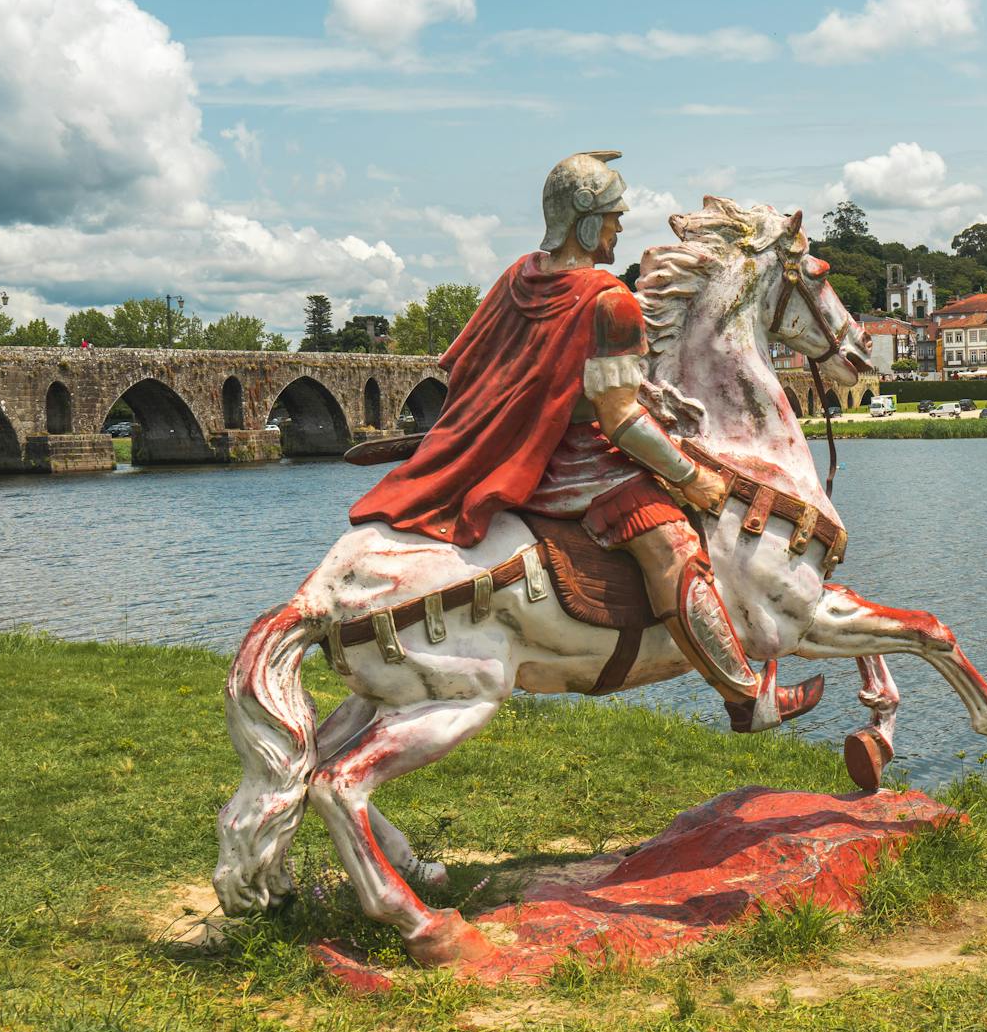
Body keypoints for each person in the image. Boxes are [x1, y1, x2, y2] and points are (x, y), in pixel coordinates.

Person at [350, 151, 821, 732]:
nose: (620, 229)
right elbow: (619, 421)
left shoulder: (520, 276)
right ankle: (747, 697)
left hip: (524, 457)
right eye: (615, 216)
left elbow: (480, 372)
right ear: (586, 219)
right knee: (673, 550)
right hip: (583, 469)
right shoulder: (609, 301)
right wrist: (690, 475)